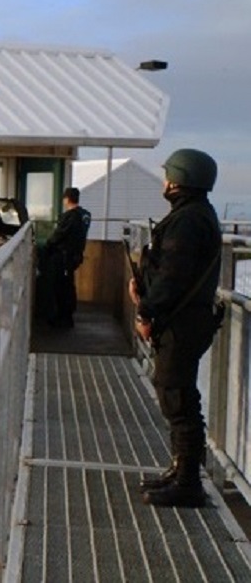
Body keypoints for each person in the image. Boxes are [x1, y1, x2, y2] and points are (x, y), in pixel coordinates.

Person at [130, 148, 222, 508]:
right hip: (186, 321)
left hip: (181, 324)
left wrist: (145, 312)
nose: (165, 182)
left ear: (180, 179)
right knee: (176, 395)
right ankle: (180, 470)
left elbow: (172, 276)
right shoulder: (195, 215)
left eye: (170, 176)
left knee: (178, 399)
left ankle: (188, 484)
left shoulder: (187, 220)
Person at [44, 187, 91, 328]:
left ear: (67, 199)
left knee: (61, 287)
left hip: (64, 257)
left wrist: (47, 246)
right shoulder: (85, 215)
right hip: (75, 256)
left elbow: (58, 235)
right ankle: (66, 315)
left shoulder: (70, 217)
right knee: (68, 285)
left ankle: (63, 318)